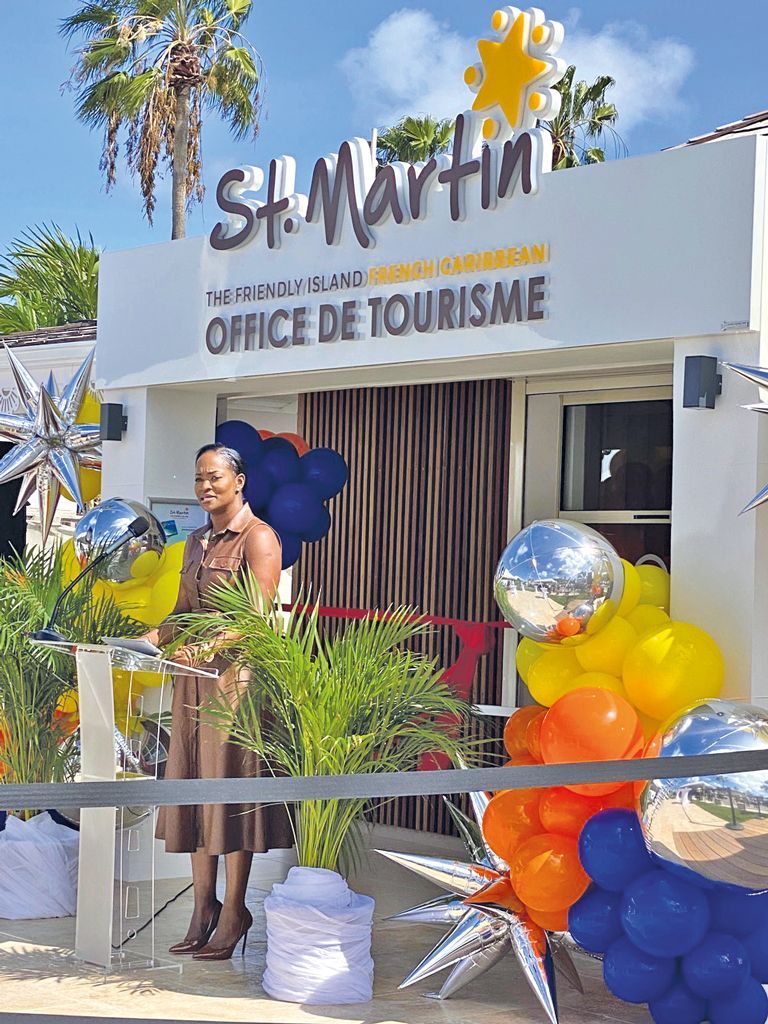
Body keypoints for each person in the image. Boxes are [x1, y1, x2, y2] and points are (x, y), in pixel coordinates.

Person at [141, 443, 292, 960]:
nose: (205, 487)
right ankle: (202, 905)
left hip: (234, 688)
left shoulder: (260, 538)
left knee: (229, 800)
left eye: (214, 478)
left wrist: (205, 646)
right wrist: (151, 638)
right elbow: (184, 610)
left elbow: (254, 616)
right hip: (190, 683)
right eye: (198, 479)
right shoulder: (196, 543)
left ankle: (234, 912)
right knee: (194, 794)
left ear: (239, 481)